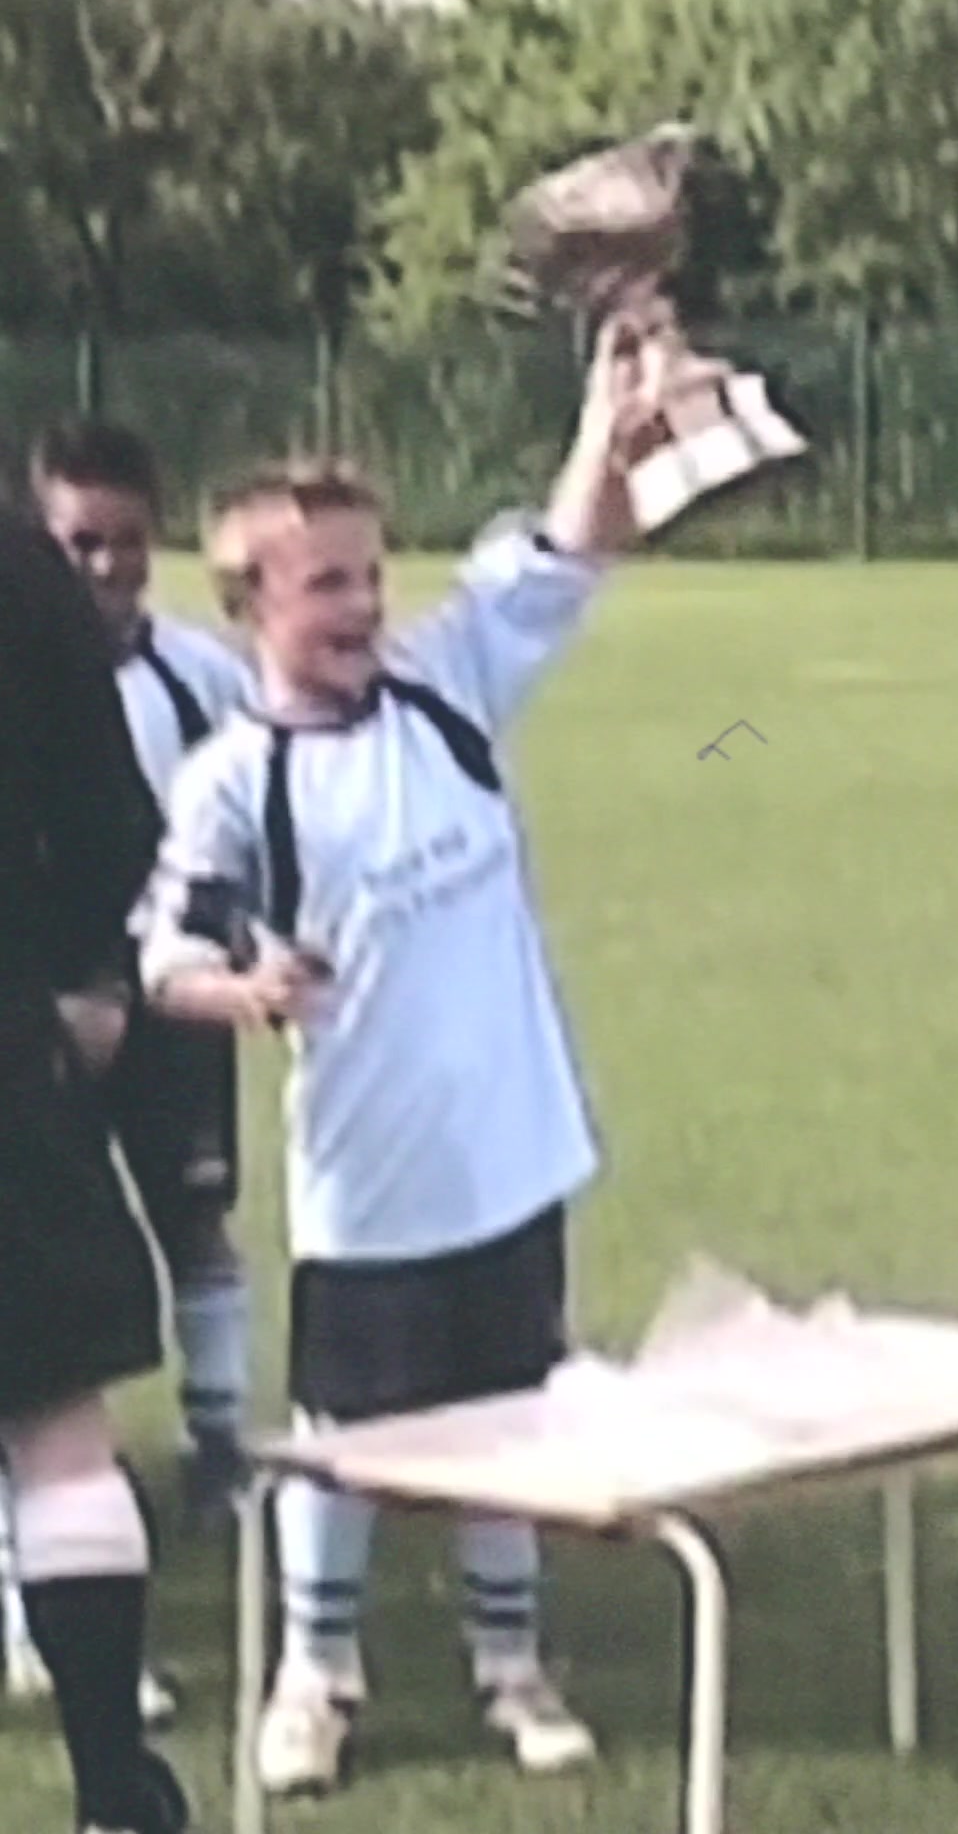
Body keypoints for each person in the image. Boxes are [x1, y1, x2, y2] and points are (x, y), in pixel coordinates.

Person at [140, 305, 702, 1798]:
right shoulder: (234, 784)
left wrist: (605, 419)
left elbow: (570, 546)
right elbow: (162, 959)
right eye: (327, 583)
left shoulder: (446, 697)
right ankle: (315, 1677)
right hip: (369, 1184)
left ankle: (513, 1667)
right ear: (252, 603)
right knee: (348, 1440)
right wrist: (249, 986)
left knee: (512, 1419)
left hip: (510, 1157)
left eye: (372, 575)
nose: (363, 606)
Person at [0, 505, 188, 1833]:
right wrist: (76, 975)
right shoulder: (15, 563)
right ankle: (115, 1793)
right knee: (59, 1430)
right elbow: (114, 816)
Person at [31, 418, 252, 1516]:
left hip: (174, 989)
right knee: (40, 1249)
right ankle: (55, 1465)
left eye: (126, 541)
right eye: (81, 542)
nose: (108, 566)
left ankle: (221, 1442)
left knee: (195, 1214)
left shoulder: (201, 677)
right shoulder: (25, 678)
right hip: (48, 999)